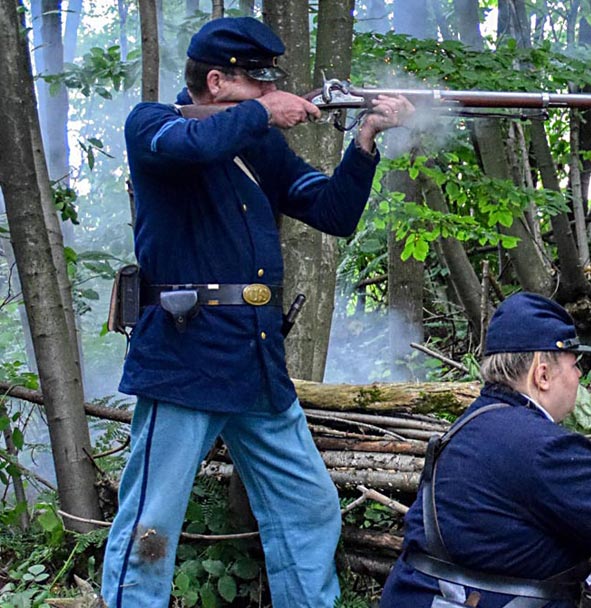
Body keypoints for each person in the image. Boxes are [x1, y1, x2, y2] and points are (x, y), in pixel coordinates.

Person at [100, 17, 413, 608]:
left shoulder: (256, 143)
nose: (272, 93)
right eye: (259, 81)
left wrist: (366, 136)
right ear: (216, 82)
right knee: (151, 524)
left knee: (310, 505)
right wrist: (266, 112)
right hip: (185, 358)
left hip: (255, 361)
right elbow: (196, 145)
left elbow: (331, 212)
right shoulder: (154, 126)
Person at [380, 292, 591, 608]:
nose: (580, 375)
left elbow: (496, 545)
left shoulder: (468, 428)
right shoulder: (542, 446)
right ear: (542, 374)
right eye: (574, 365)